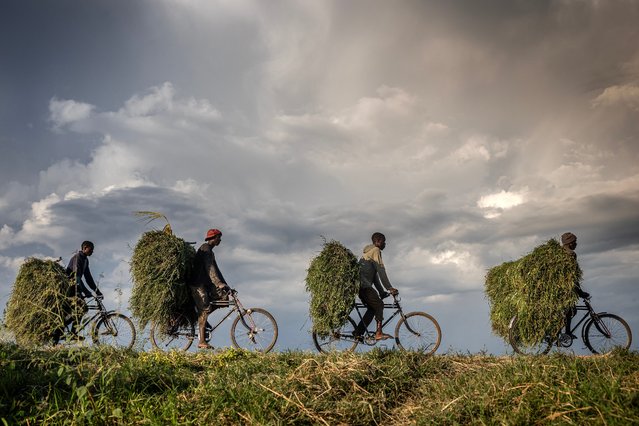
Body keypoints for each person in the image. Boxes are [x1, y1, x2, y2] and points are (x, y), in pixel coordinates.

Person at [54, 241, 103, 342]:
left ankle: (67, 331)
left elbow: (88, 278)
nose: (93, 251)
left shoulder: (85, 260)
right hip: (70, 289)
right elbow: (76, 277)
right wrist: (86, 292)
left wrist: (97, 291)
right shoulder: (78, 257)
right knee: (82, 308)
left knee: (81, 309)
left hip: (76, 288)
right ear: (85, 248)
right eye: (91, 249)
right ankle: (63, 331)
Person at [189, 228, 230, 349]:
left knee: (223, 298)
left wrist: (225, 285)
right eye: (219, 237)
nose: (220, 240)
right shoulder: (205, 249)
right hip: (197, 284)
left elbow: (216, 269)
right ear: (213, 238)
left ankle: (203, 319)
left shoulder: (210, 251)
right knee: (204, 308)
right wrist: (218, 283)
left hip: (205, 283)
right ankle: (202, 341)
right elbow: (209, 268)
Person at [354, 232, 399, 340]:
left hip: (361, 286)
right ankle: (378, 333)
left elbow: (375, 277)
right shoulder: (375, 251)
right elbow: (381, 270)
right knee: (379, 305)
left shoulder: (369, 252)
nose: (385, 244)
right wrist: (389, 288)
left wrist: (381, 292)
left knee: (372, 309)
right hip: (364, 286)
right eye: (384, 241)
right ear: (378, 241)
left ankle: (358, 333)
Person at [561, 232, 589, 338]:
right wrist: (580, 292)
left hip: (559, 289)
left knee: (570, 310)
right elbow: (572, 277)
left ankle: (565, 332)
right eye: (575, 242)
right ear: (570, 243)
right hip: (565, 291)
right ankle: (563, 333)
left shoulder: (558, 252)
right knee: (571, 310)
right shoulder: (570, 254)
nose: (576, 244)